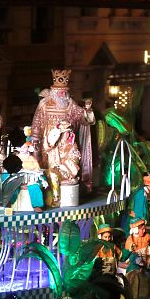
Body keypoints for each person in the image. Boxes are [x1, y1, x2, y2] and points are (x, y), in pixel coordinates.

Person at [30, 69, 96, 203]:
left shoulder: (70, 103)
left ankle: (67, 195)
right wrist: (35, 139)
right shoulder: (44, 104)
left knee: (70, 167)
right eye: (60, 91)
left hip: (67, 143)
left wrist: (87, 110)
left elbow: (82, 117)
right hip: (50, 143)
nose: (62, 93)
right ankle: (53, 197)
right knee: (50, 170)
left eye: (64, 91)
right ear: (53, 90)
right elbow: (37, 122)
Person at [122, 217, 150, 299]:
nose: (144, 230)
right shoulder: (130, 240)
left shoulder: (147, 236)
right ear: (135, 230)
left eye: (144, 228)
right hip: (135, 264)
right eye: (141, 229)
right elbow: (126, 255)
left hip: (147, 261)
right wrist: (130, 251)